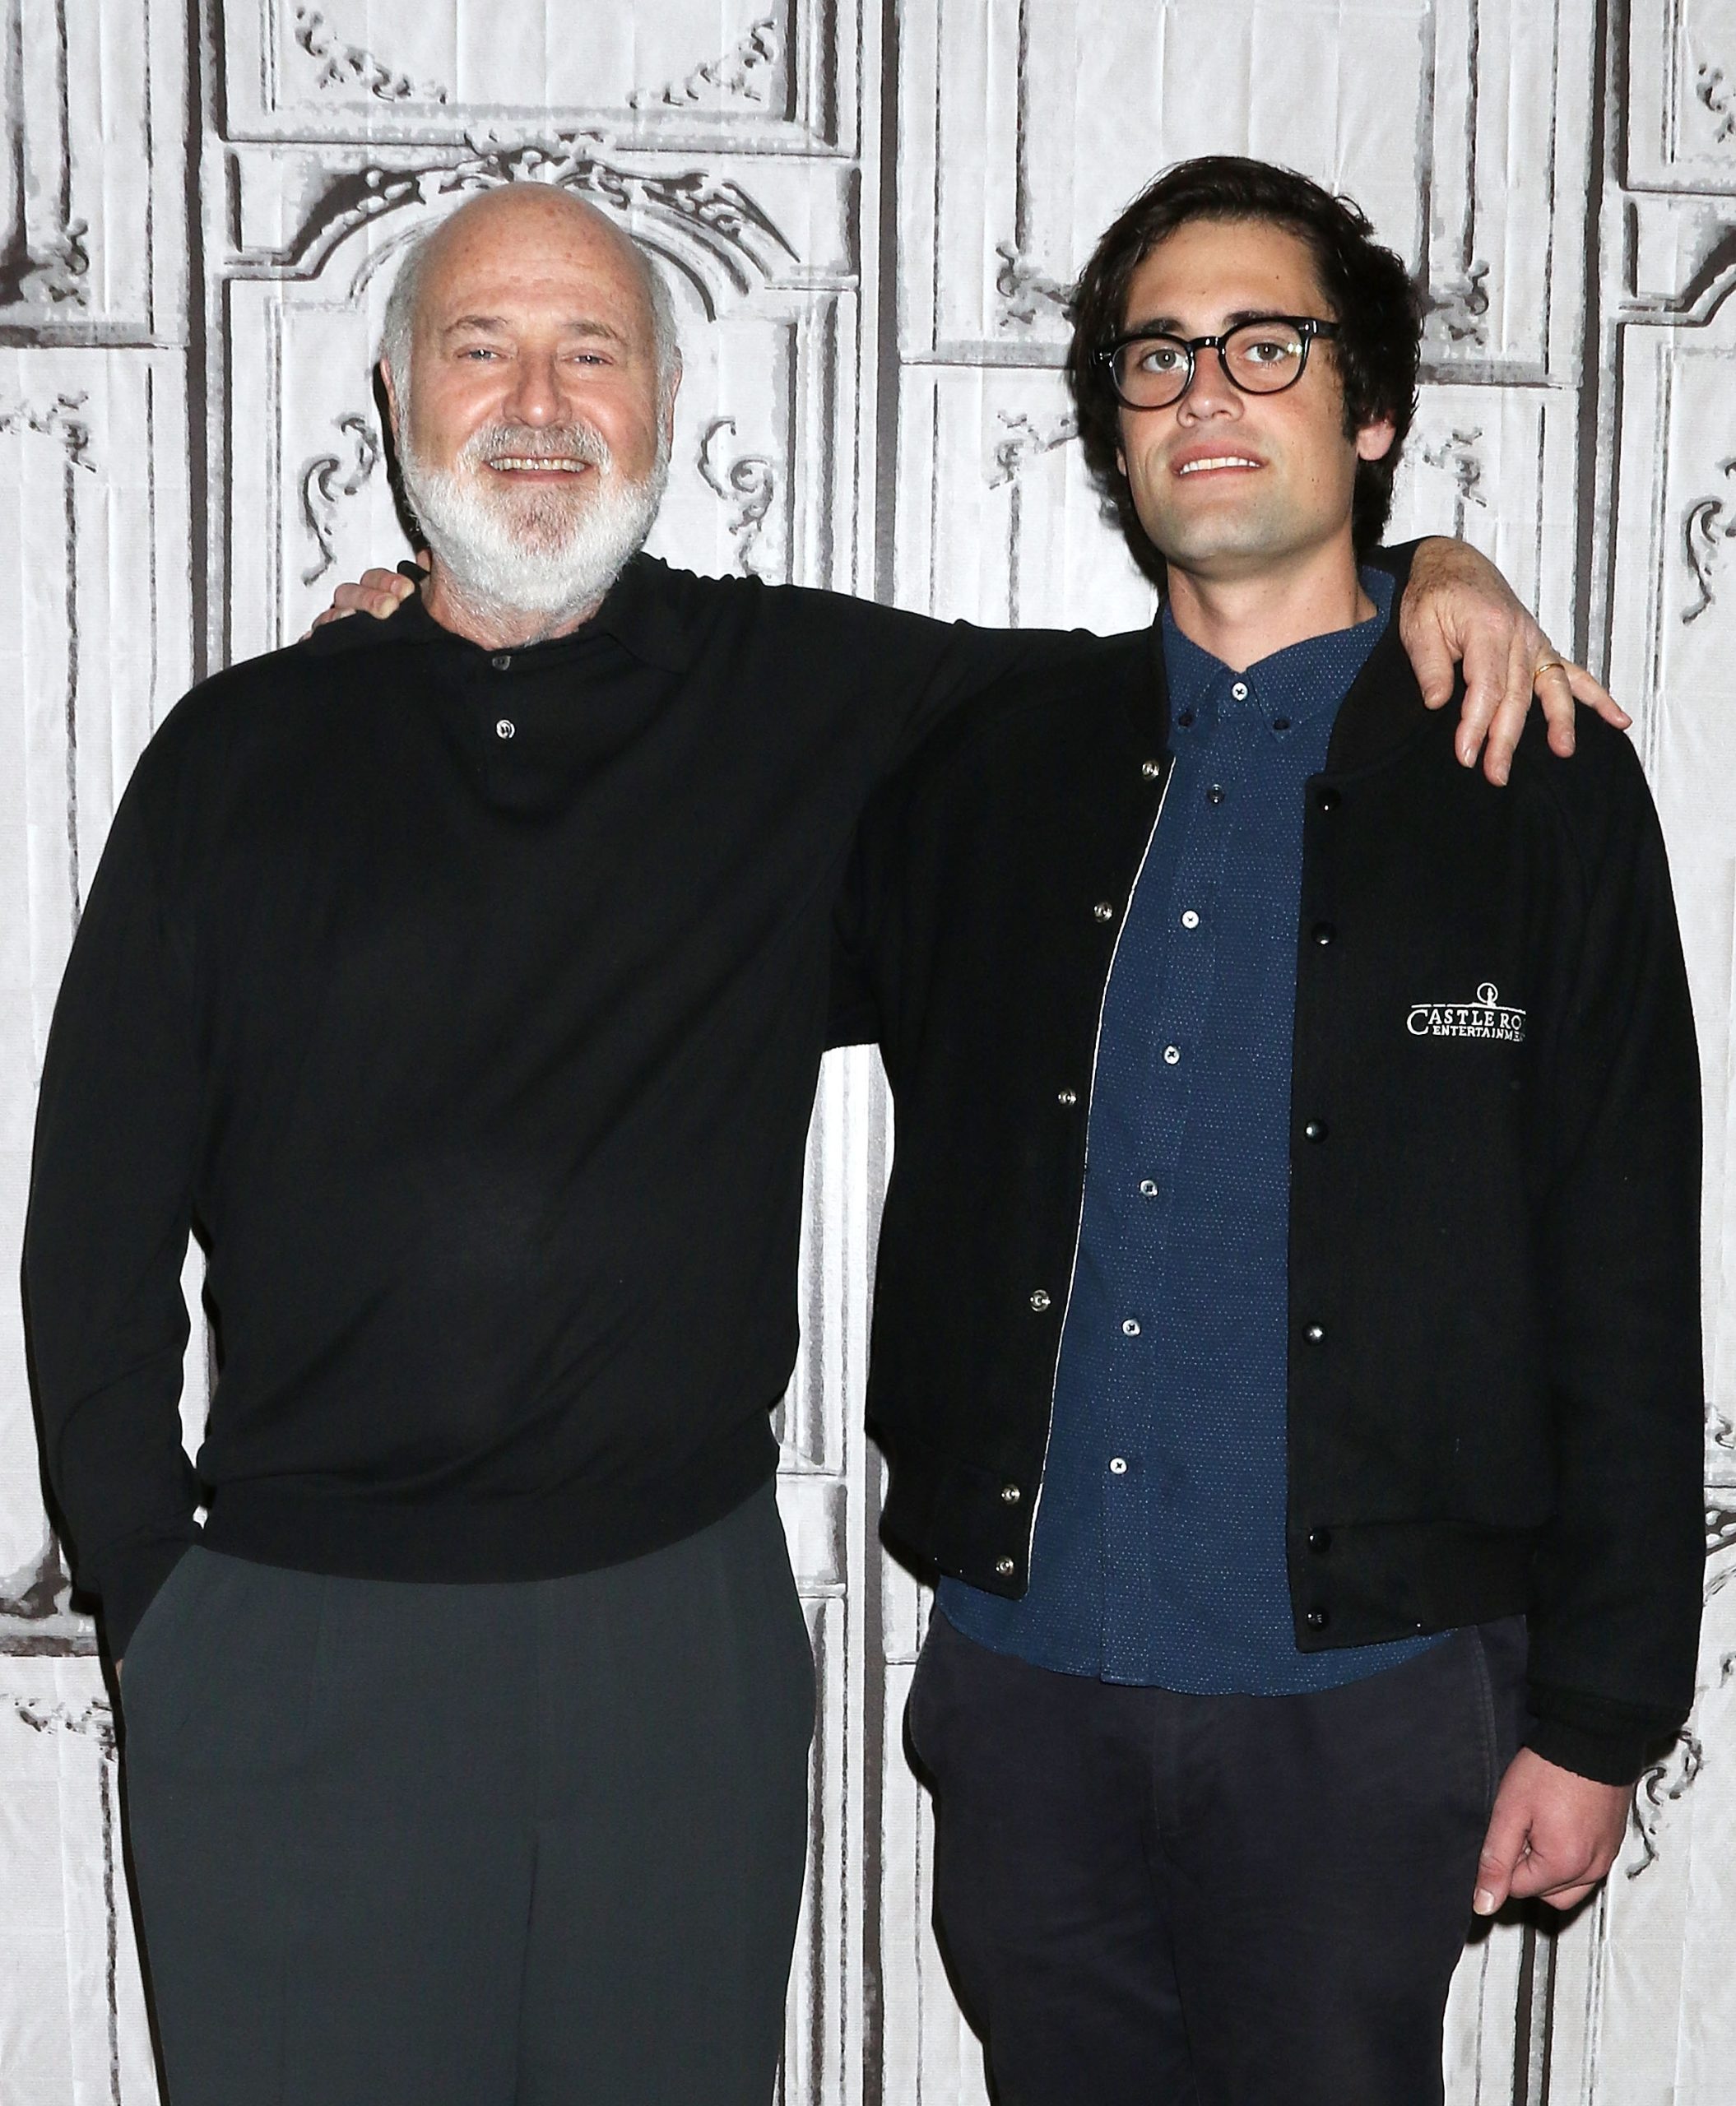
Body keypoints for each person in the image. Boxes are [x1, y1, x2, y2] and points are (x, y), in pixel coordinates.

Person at [24, 179, 1610, 2106]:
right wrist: (164, 1616)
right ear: (390, 391)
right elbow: (88, 1234)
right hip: (289, 1637)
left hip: (669, 1642)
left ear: (668, 396)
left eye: (591, 347)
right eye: (481, 346)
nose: (539, 398)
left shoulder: (805, 700)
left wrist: (1441, 560)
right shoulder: (237, 752)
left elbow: (1225, 644)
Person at [832, 156, 1704, 2105]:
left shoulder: (1532, 779)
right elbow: (700, 734)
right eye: (1154, 357)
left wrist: (1601, 1710)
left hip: (1373, 1700)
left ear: (1368, 409)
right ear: (1110, 424)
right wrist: (450, 627)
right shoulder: (987, 759)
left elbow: (1628, 1253)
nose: (1202, 392)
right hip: (1027, 1681)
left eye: (1263, 344)